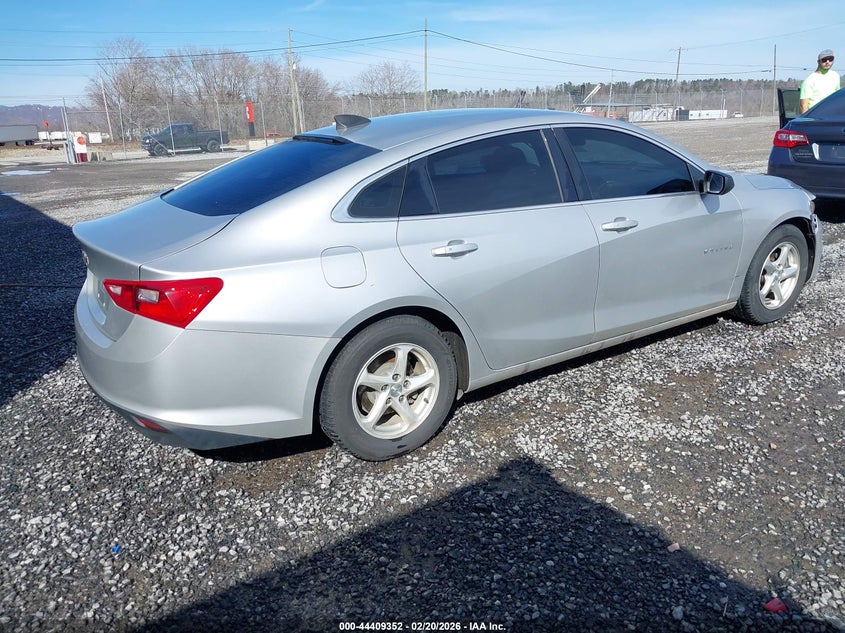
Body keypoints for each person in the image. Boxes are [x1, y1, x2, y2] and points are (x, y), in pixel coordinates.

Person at [799, 49, 840, 113]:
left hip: (832, 116)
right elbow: (803, 106)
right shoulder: (809, 81)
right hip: (816, 119)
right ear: (818, 62)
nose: (827, 62)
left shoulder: (836, 76)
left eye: (830, 59)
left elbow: (837, 98)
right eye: (824, 60)